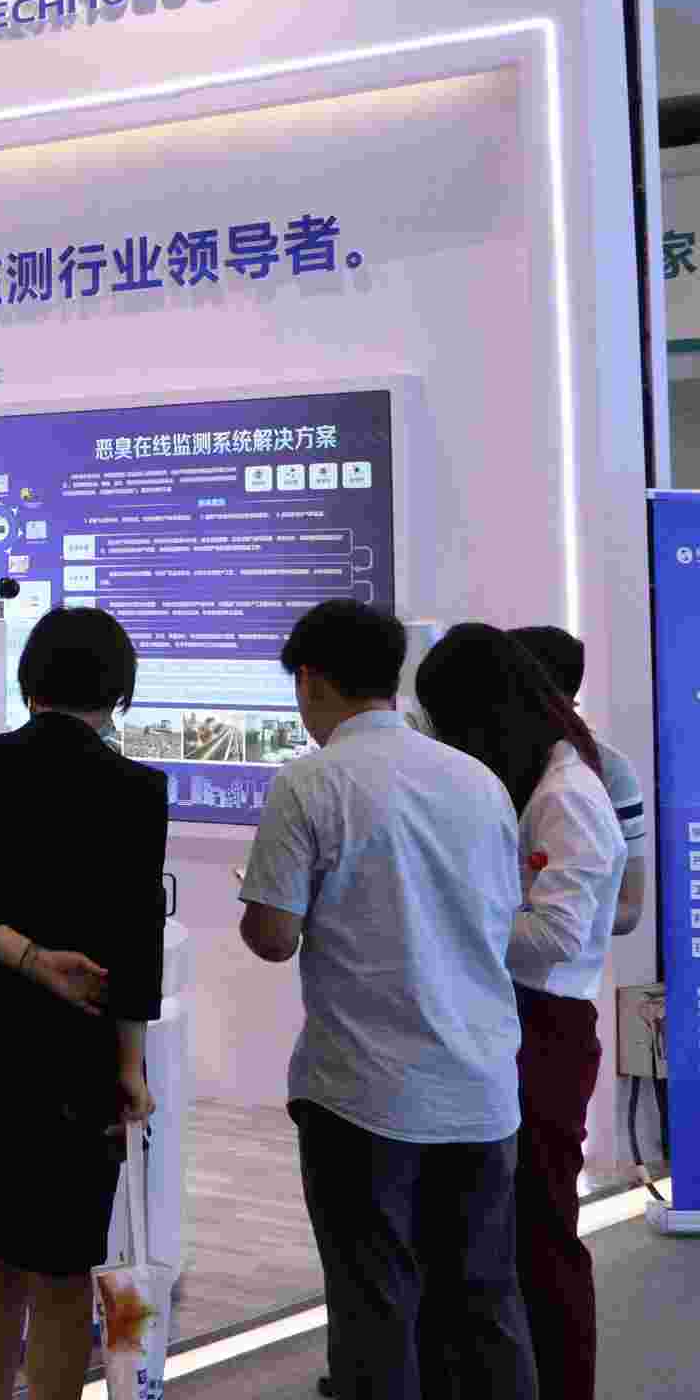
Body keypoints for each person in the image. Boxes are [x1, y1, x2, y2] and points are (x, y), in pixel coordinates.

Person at [240, 599, 534, 1400]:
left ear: (309, 679)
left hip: (364, 1095)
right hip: (480, 1086)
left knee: (375, 1303)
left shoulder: (311, 781)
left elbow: (273, 936)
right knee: (486, 1300)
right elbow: (500, 912)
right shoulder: (476, 780)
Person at [0, 607, 164, 1400]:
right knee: (63, 1267)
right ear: (117, 692)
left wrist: (25, 957)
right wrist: (131, 1067)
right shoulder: (137, 789)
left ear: (30, 684)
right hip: (78, 1055)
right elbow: (136, 943)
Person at [418, 625, 625, 1400]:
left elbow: (554, 936)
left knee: (541, 1233)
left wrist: (455, 913)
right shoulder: (535, 778)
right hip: (507, 1019)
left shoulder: (567, 795)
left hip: (546, 1025)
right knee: (492, 1230)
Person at [509, 626, 648, 936]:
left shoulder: (609, 770)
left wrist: (556, 915)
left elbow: (629, 907)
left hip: (559, 961)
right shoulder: (486, 759)